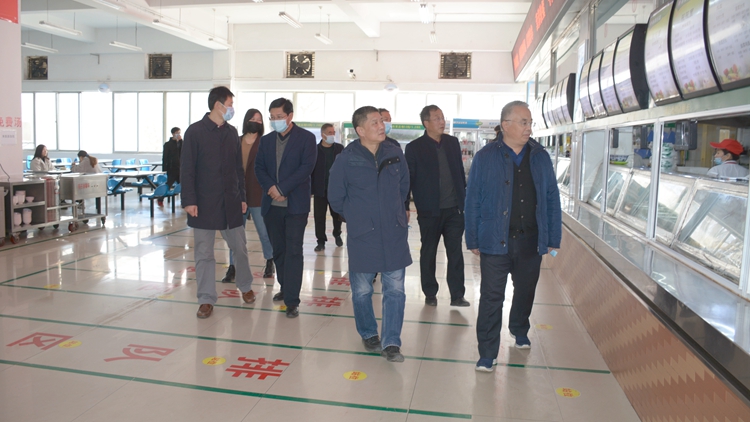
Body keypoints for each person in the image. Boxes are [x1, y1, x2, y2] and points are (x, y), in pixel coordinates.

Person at [465, 100, 561, 372]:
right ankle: (487, 352)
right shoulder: (485, 157)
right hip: (495, 240)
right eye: (523, 122)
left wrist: (553, 238)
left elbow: (551, 197)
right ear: (505, 125)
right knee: (491, 297)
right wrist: (473, 238)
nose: (528, 128)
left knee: (525, 291)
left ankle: (519, 328)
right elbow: (472, 199)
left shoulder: (540, 156)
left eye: (530, 122)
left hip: (531, 240)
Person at [328, 106, 412, 363]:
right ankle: (368, 332)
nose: (381, 125)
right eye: (374, 122)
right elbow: (336, 197)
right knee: (363, 290)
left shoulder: (395, 153)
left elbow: (403, 187)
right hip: (363, 235)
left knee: (395, 289)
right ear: (360, 130)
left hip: (394, 233)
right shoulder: (346, 159)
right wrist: (356, 217)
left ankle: (392, 342)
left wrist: (396, 212)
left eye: (382, 121)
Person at [181, 86, 256, 319]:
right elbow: (187, 169)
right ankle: (206, 299)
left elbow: (237, 168)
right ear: (218, 105)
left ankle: (245, 285)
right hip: (203, 203)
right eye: (230, 104)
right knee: (204, 253)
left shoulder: (232, 133)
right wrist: (189, 200)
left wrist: (242, 197)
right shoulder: (195, 132)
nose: (232, 109)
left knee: (240, 248)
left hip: (231, 201)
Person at [255, 97, 317, 318]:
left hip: (295, 206)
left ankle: (292, 300)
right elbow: (259, 168)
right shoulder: (266, 141)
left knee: (293, 251)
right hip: (271, 206)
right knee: (279, 250)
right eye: (272, 117)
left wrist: (282, 188)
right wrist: (271, 188)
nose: (275, 120)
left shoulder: (306, 138)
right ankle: (285, 286)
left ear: (290, 116)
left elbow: (306, 168)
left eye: (279, 116)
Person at [404, 105, 469, 307]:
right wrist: (405, 205)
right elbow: (408, 179)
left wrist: (464, 200)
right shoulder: (414, 147)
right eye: (437, 118)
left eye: (443, 117)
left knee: (455, 253)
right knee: (429, 252)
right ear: (426, 123)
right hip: (429, 211)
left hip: (454, 210)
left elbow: (459, 172)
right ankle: (430, 292)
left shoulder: (452, 142)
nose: (442, 122)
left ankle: (457, 295)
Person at [221, 109, 275, 283]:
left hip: (258, 193)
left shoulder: (265, 142)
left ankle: (269, 260)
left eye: (259, 120)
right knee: (235, 233)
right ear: (246, 121)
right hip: (237, 194)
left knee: (264, 232)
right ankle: (233, 266)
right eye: (253, 119)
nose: (256, 122)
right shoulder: (236, 141)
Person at [311, 123, 344, 252]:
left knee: (337, 215)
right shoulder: (315, 150)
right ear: (323, 134)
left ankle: (337, 234)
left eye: (333, 133)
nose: (332, 135)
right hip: (320, 189)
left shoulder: (339, 149)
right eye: (330, 133)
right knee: (319, 217)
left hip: (336, 190)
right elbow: (310, 170)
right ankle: (320, 241)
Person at [160, 127, 183, 206]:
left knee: (183, 185)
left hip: (180, 168)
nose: (178, 134)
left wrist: (180, 141)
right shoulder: (168, 144)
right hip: (172, 168)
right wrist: (164, 168)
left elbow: (184, 151)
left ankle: (184, 201)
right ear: (173, 134)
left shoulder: (181, 143)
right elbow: (165, 157)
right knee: (169, 184)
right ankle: (160, 198)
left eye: (179, 133)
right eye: (177, 133)